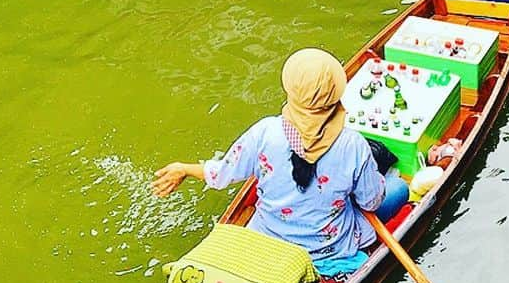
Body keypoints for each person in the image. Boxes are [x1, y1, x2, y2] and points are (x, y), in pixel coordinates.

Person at [152, 49, 411, 267]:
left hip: (268, 241)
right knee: (398, 187)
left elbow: (220, 175)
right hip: (329, 248)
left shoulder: (265, 132)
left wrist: (183, 169)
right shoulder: (352, 144)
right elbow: (371, 201)